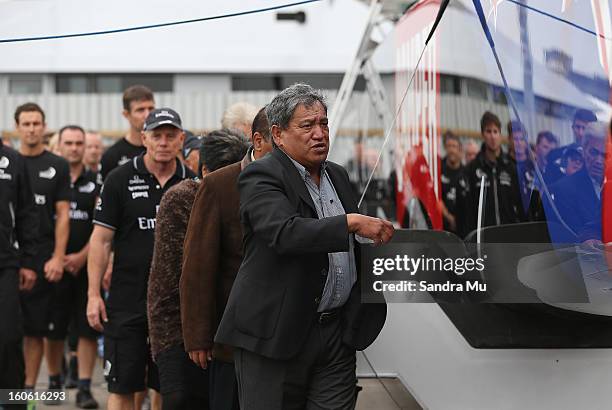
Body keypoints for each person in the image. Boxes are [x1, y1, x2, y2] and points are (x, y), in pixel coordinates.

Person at [215, 83, 393, 410]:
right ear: (278, 135)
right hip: (274, 336)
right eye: (307, 125)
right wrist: (350, 222)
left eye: (323, 123)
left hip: (335, 334)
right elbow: (285, 233)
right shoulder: (260, 176)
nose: (319, 133)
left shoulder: (338, 176)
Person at [87, 108, 195, 410]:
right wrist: (94, 295)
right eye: (156, 135)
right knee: (123, 386)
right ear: (144, 138)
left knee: (168, 388)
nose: (163, 142)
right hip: (126, 299)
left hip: (173, 305)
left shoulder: (193, 182)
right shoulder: (119, 178)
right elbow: (101, 240)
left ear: (181, 139)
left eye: (170, 135)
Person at [148, 129, 249, 410]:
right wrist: (194, 337)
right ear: (204, 171)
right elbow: (182, 278)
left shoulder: (252, 196)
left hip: (225, 332)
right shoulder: (181, 199)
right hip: (178, 330)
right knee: (183, 399)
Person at [181, 107, 273, 410]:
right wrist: (198, 335)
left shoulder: (302, 180)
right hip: (231, 340)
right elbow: (197, 266)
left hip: (282, 337)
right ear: (259, 140)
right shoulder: (219, 185)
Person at [15, 103, 71, 395]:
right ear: (17, 128)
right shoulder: (8, 162)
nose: (32, 129)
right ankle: (9, 391)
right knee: (10, 332)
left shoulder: (57, 165)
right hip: (10, 258)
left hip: (42, 257)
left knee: (36, 331)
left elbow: (63, 214)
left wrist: (58, 257)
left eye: (37, 123)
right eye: (26, 124)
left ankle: (26, 394)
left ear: (44, 125)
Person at [57, 125, 101, 409]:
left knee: (86, 329)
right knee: (51, 329)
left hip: (85, 266)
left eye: (78, 143)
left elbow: (102, 227)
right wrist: (58, 257)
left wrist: (83, 256)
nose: (74, 148)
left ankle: (85, 387)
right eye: (68, 143)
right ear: (59, 146)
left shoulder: (96, 184)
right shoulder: (46, 179)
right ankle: (51, 383)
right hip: (53, 265)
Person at [0, 134, 39, 410]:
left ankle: (14, 403)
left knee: (10, 336)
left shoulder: (13, 159)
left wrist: (28, 261)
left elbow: (26, 212)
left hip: (7, 263)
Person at [462, 111, 525, 234]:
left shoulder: (511, 168)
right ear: (482, 135)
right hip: (482, 239)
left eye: (495, 131)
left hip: (509, 238)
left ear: (500, 135)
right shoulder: (471, 169)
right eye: (488, 131)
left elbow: (520, 207)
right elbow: (467, 211)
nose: (492, 136)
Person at [548, 122, 607, 243]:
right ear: (584, 150)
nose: (599, 161)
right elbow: (568, 239)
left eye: (605, 155)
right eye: (594, 152)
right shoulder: (562, 190)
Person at [100, 85, 155, 180]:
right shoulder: (112, 155)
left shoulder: (164, 149)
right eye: (140, 110)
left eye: (151, 108)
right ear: (126, 114)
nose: (147, 115)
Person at [545, 109, 597, 184]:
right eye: (578, 127)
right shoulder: (555, 155)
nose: (580, 133)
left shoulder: (599, 160)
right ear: (572, 127)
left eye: (584, 128)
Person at [440, 131, 466, 235]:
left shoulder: (466, 172)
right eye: (449, 146)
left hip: (462, 228)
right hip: (443, 228)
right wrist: (449, 217)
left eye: (454, 146)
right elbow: (436, 198)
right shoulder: (439, 171)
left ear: (459, 149)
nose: (451, 150)